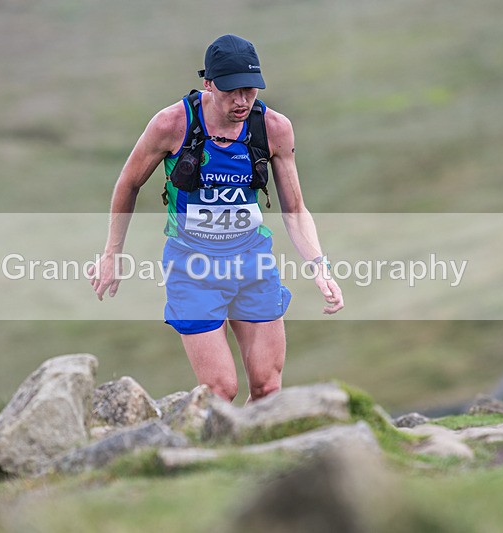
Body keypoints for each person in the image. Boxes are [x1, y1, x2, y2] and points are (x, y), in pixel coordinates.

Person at [90, 34, 343, 403]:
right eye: (230, 91)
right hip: (192, 268)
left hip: (252, 263)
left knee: (268, 389)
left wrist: (319, 266)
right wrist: (112, 253)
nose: (241, 101)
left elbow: (295, 208)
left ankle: (253, 443)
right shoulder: (172, 124)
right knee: (221, 390)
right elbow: (128, 184)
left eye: (249, 90)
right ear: (208, 84)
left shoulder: (273, 128)